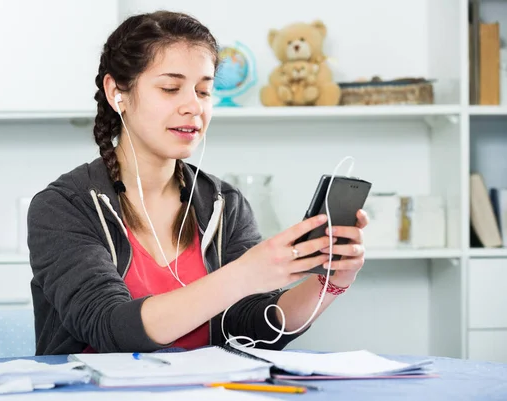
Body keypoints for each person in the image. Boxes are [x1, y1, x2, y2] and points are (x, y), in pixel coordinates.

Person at [27, 10, 368, 356]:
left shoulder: (224, 203)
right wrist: (242, 275)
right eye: (171, 88)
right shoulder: (63, 207)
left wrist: (330, 282)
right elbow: (110, 328)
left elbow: (254, 326)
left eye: (204, 91)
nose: (193, 106)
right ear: (118, 93)